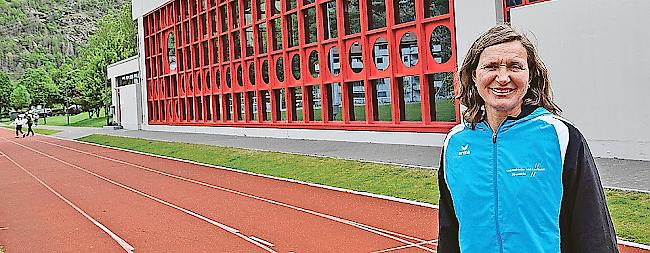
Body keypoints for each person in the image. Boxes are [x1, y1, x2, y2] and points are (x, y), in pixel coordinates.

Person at [438, 24, 618, 252]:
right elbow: (449, 230)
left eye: (515, 66)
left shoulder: (560, 136)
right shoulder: (455, 143)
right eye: (491, 66)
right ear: (474, 75)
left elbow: (593, 231)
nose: (503, 78)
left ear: (530, 75)